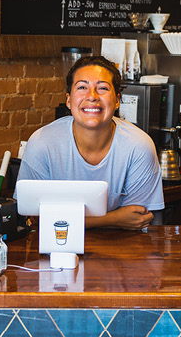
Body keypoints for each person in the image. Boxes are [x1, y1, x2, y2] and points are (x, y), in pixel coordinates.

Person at [17, 55, 164, 230]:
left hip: (120, 249)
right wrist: (114, 218)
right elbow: (34, 219)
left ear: (117, 100)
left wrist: (64, 219)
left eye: (102, 88)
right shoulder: (43, 143)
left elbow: (138, 219)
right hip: (55, 247)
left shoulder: (138, 146)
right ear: (69, 100)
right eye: (82, 87)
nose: (92, 96)